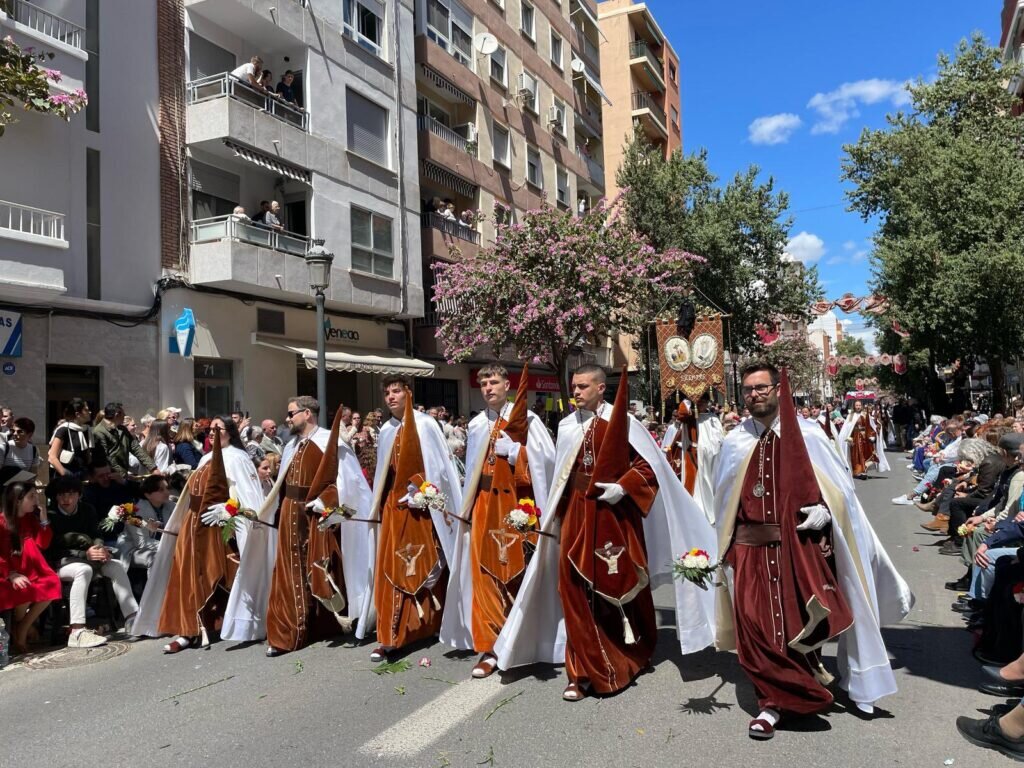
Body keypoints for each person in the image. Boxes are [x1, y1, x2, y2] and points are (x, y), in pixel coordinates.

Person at [711, 364, 913, 739]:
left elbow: (840, 494)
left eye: (761, 387)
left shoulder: (808, 435)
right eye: (748, 389)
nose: (754, 394)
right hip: (749, 549)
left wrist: (825, 510)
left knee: (795, 625)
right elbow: (723, 500)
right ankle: (775, 703)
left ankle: (794, 691)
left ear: (777, 390)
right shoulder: (734, 442)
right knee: (755, 629)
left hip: (798, 550)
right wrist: (722, 550)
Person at [494, 366, 717, 702]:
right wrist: (547, 512)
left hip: (615, 517)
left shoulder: (624, 422)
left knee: (619, 587)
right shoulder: (568, 425)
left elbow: (649, 468)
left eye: (583, 386)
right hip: (576, 516)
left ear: (601, 388)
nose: (577, 392)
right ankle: (580, 671)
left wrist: (623, 488)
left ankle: (629, 654)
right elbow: (559, 474)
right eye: (573, 386)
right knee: (571, 589)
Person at [440, 364, 555, 678]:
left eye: (494, 382)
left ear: (508, 384)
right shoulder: (477, 424)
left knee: (517, 571)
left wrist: (518, 452)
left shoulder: (527, 420)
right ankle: (490, 648)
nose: (488, 388)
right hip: (484, 505)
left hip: (517, 507)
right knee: (485, 574)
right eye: (484, 383)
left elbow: (548, 463)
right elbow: (472, 475)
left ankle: (520, 641)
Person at [252, 397, 372, 656]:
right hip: (289, 514)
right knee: (289, 572)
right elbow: (282, 484)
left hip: (315, 517)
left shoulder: (330, 441)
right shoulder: (291, 445)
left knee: (318, 569)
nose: (287, 418)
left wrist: (324, 502)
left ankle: (322, 624)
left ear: (307, 413)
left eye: (291, 413)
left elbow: (348, 482)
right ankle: (288, 633)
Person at [132, 419, 264, 651]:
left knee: (220, 578)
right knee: (186, 577)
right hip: (192, 526)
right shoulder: (205, 458)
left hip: (218, 531)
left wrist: (229, 510)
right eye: (209, 429)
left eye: (218, 429)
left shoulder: (237, 458)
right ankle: (188, 630)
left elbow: (248, 497)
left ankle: (235, 622)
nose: (212, 433)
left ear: (230, 433)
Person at [363, 377, 462, 662]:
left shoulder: (425, 424)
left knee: (426, 565)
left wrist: (423, 491)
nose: (391, 396)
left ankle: (430, 624)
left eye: (396, 391)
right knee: (391, 570)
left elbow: (439, 469)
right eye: (387, 392)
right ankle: (390, 636)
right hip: (394, 510)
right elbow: (385, 474)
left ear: (408, 393)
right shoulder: (385, 430)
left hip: (421, 511)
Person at [47, 474, 138, 647]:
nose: (66, 499)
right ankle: (77, 630)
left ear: (79, 495)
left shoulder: (87, 509)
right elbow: (54, 548)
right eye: (61, 494)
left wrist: (99, 548)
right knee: (84, 570)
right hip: (63, 561)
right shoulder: (51, 515)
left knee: (116, 566)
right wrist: (84, 554)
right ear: (56, 496)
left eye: (71, 494)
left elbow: (96, 534)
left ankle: (132, 618)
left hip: (90, 556)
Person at [0, 479, 61, 655]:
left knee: (52, 582)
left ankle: (22, 628)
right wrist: (10, 574)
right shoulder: (2, 522)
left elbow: (43, 543)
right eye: (31, 496)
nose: (36, 500)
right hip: (8, 573)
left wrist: (43, 521)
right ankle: (22, 629)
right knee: (23, 589)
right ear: (18, 500)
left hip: (32, 570)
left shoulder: (30, 519)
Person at [661, 392, 725, 524]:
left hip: (713, 459)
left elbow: (719, 438)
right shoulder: (690, 417)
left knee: (712, 487)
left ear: (708, 402)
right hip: (695, 458)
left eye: (704, 400)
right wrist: (690, 394)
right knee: (697, 489)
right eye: (698, 400)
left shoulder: (713, 418)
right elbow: (682, 413)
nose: (701, 403)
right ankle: (697, 514)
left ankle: (713, 513)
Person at [117, 474, 170, 572]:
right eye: (161, 490)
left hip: (162, 546)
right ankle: (155, 587)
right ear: (147, 495)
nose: (167, 492)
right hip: (134, 549)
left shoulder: (171, 506)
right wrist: (170, 546)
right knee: (157, 558)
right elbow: (142, 543)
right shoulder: (136, 512)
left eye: (167, 488)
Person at [92, 403, 158, 480]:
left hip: (122, 476)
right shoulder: (98, 432)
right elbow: (106, 458)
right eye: (123, 414)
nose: (125, 415)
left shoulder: (122, 429)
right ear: (117, 415)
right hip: (108, 477)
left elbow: (136, 449)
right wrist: (123, 474)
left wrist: (153, 468)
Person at [839, 400, 888, 479]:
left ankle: (863, 471)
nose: (858, 407)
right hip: (854, 438)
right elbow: (847, 428)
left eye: (859, 405)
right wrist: (847, 437)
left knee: (864, 454)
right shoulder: (851, 416)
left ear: (861, 406)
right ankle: (857, 471)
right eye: (856, 405)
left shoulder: (865, 414)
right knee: (856, 455)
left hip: (864, 438)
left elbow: (872, 426)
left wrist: (873, 435)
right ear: (854, 406)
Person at [47, 398, 93, 480]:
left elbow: (87, 456)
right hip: (66, 478)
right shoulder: (63, 430)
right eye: (86, 410)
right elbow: (52, 457)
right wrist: (66, 474)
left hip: (82, 475)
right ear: (78, 414)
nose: (90, 412)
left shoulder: (87, 430)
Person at [0, 418, 42, 485]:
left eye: (20, 432)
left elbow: (33, 474)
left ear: (30, 435)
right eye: (13, 431)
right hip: (5, 490)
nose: (15, 434)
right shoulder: (4, 448)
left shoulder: (34, 450)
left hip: (22, 490)